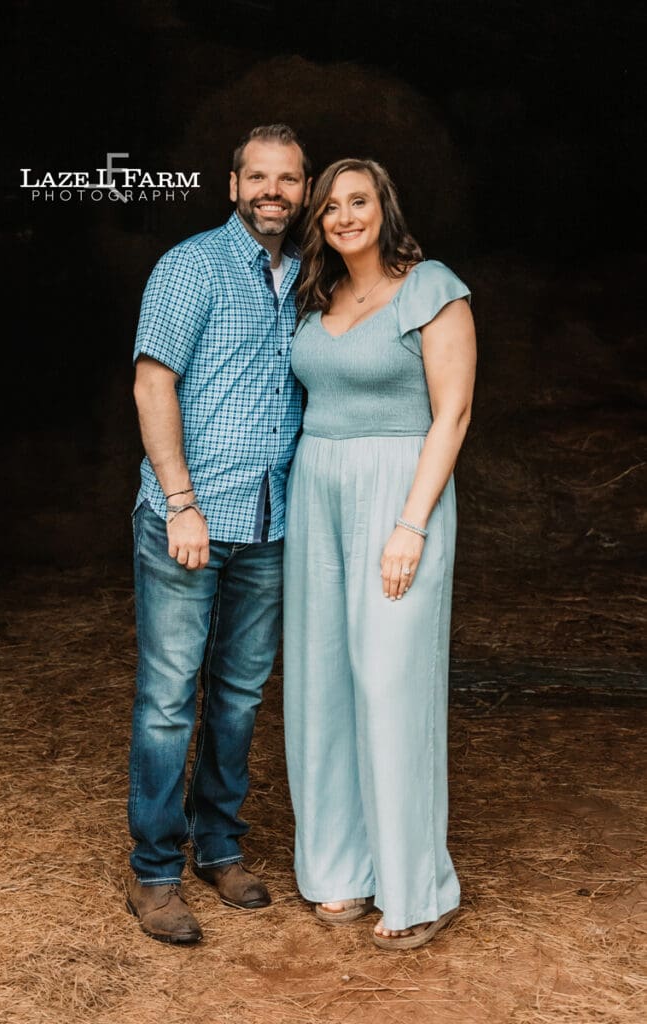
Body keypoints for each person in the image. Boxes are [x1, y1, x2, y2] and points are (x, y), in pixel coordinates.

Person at [283, 158, 476, 951]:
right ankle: (338, 869)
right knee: (320, 677)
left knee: (391, 680)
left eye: (358, 201)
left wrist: (411, 525)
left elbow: (453, 412)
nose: (344, 216)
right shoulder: (318, 294)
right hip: (315, 488)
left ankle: (415, 886)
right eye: (330, 206)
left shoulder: (432, 287)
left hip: (397, 488)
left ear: (383, 206)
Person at [126, 124, 311, 945]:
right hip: (189, 519)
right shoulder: (190, 265)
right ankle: (154, 872)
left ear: (302, 189)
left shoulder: (310, 278)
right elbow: (151, 382)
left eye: (288, 179)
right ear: (232, 184)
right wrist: (180, 501)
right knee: (169, 699)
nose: (273, 190)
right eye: (258, 177)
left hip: (271, 522)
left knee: (238, 695)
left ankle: (219, 845)